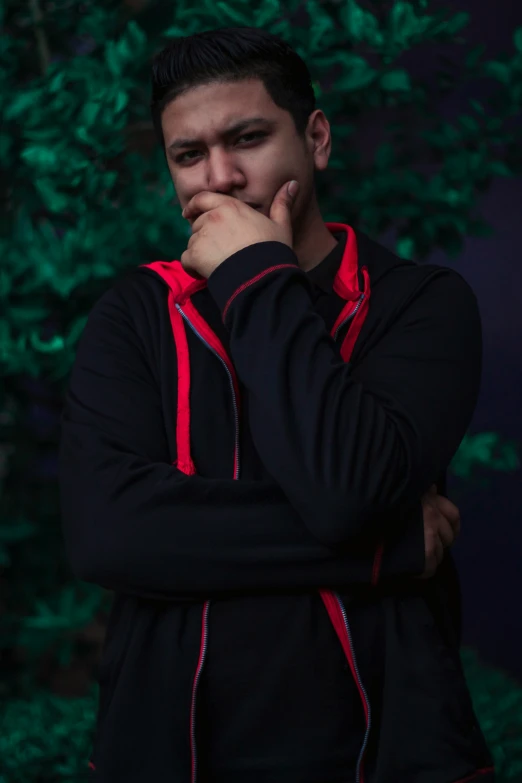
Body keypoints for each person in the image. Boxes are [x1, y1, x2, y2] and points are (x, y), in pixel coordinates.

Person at [59, 26, 496, 783]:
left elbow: (347, 491)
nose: (219, 179)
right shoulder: (134, 313)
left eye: (248, 138)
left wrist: (256, 273)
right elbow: (109, 532)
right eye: (187, 155)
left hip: (389, 753)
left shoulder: (422, 305)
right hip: (168, 756)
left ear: (316, 137)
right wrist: (387, 547)